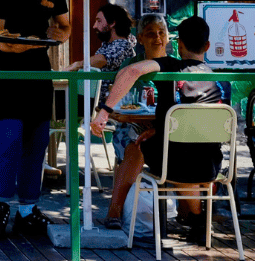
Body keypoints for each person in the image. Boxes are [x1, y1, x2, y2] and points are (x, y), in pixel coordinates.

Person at [91, 16, 224, 238]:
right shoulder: (219, 79)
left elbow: (132, 71)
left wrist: (104, 110)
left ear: (179, 44)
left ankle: (116, 212)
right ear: (208, 46)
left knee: (140, 146)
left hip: (174, 165)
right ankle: (197, 218)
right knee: (188, 153)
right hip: (212, 165)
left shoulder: (171, 67)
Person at [0, 0, 71, 237]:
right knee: (8, 141)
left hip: (39, 73)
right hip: (7, 74)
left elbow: (64, 24)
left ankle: (27, 209)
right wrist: (29, 44)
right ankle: (0, 205)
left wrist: (61, 34)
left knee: (37, 145)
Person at [96, 13, 170, 229]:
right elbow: (120, 103)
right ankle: (114, 212)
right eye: (150, 34)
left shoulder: (176, 65)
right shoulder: (131, 65)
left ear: (167, 38)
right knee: (135, 146)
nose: (157, 38)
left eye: (161, 33)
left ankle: (190, 215)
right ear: (140, 38)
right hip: (132, 125)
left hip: (165, 129)